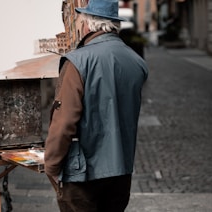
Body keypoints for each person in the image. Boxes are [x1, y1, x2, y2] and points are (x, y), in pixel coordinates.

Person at [44, 0, 148, 211]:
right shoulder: (136, 61)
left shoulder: (78, 61)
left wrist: (51, 164)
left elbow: (64, 121)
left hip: (83, 175)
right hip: (121, 172)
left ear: (88, 25)